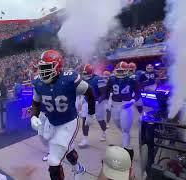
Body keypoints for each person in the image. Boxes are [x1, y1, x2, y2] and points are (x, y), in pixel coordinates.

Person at [31, 50, 96, 180]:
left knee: (53, 160)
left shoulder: (69, 79)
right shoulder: (38, 82)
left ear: (57, 66)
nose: (42, 72)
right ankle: (78, 168)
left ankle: (76, 168)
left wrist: (91, 113)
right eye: (41, 68)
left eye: (46, 68)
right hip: (52, 120)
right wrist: (34, 116)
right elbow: (36, 102)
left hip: (68, 121)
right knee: (67, 148)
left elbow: (89, 92)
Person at [105, 62, 140, 152]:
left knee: (125, 128)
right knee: (118, 124)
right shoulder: (111, 79)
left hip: (126, 105)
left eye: (122, 71)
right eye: (119, 71)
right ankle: (126, 135)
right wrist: (107, 100)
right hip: (114, 104)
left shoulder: (132, 80)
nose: (120, 73)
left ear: (127, 70)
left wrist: (132, 101)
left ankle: (126, 147)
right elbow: (106, 92)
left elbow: (138, 93)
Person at [78, 64, 107, 148]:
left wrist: (98, 101)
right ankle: (85, 139)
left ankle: (104, 131)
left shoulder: (98, 79)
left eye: (86, 74)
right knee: (85, 119)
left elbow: (104, 93)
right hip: (87, 102)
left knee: (100, 120)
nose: (85, 76)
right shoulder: (81, 79)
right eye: (83, 74)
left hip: (98, 102)